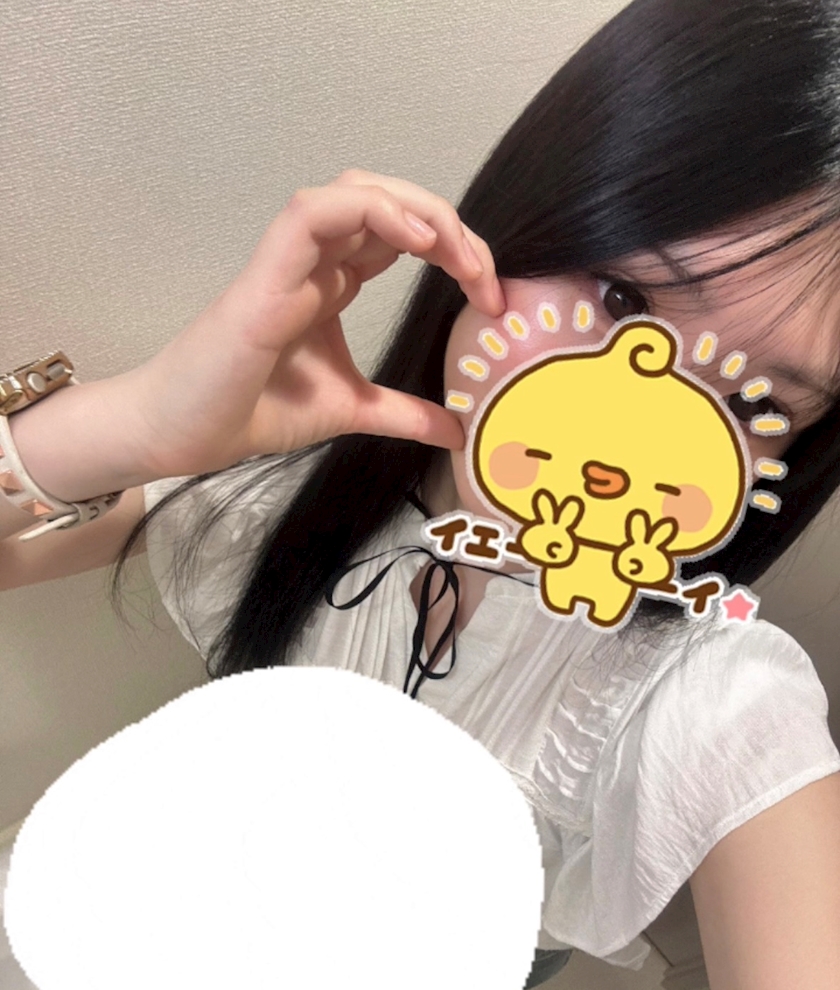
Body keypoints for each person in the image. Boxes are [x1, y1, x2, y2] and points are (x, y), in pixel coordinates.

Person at [3, 0, 840, 986]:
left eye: (753, 401)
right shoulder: (282, 491)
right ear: (519, 217)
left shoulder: (715, 699)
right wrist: (141, 423)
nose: (647, 431)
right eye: (624, 299)